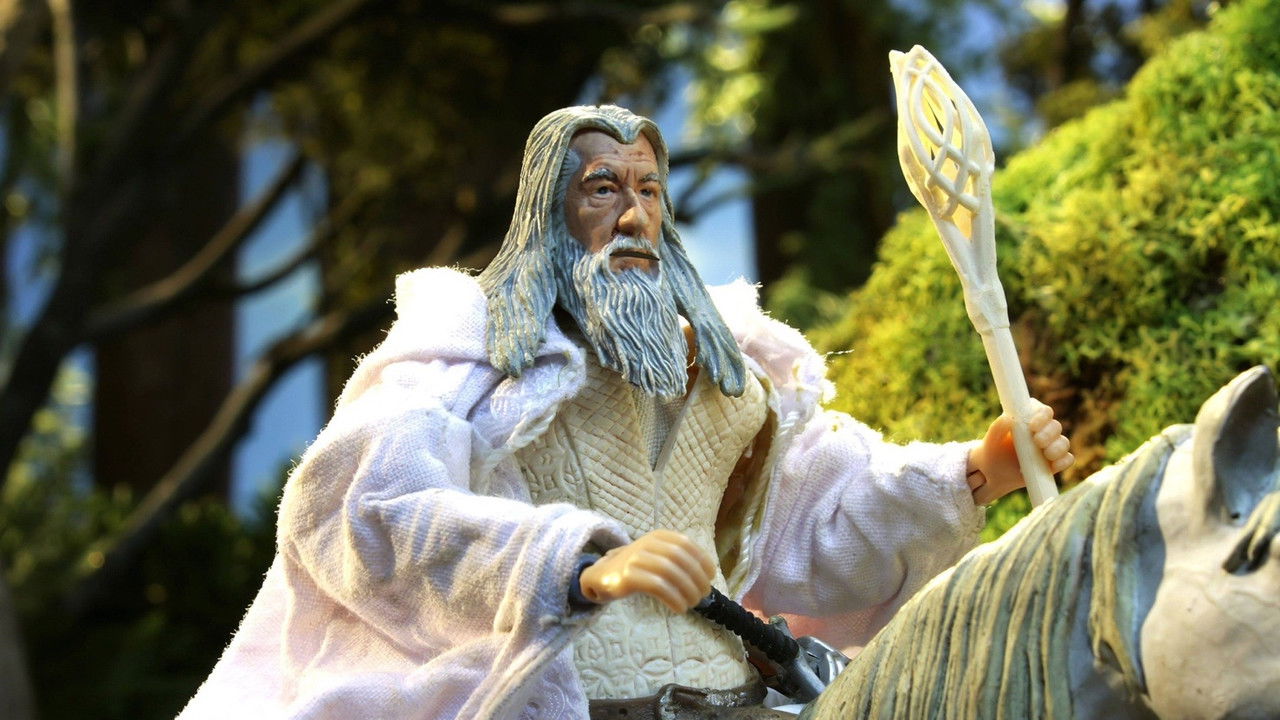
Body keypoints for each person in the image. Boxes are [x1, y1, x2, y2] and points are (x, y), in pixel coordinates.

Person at [178, 105, 1072, 720]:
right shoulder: (466, 365)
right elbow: (361, 514)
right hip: (565, 698)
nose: (635, 217)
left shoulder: (731, 377)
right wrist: (572, 563)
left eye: (648, 191)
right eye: (604, 189)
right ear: (550, 212)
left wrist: (974, 470)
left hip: (732, 698)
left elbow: (810, 523)